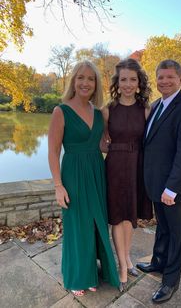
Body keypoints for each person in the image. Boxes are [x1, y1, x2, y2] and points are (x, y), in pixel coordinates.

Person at [48, 60, 119, 297]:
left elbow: (100, 144)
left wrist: (120, 146)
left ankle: (92, 272)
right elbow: (53, 152)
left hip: (96, 171)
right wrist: (58, 186)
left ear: (96, 84)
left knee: (95, 223)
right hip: (73, 174)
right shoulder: (61, 110)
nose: (85, 82)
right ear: (73, 81)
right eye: (81, 77)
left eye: (90, 78)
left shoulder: (99, 113)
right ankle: (78, 276)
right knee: (77, 225)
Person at [137, 59, 181, 304]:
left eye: (170, 77)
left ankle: (171, 281)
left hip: (173, 188)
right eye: (161, 77)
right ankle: (157, 263)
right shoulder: (155, 106)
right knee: (162, 228)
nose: (165, 81)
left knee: (176, 234)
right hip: (156, 184)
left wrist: (172, 188)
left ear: (180, 79)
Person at [102, 58, 153, 291]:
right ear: (117, 82)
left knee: (129, 218)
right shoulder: (107, 110)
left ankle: (128, 258)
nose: (128, 84)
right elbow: (101, 144)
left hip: (136, 166)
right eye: (124, 79)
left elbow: (151, 143)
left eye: (133, 79)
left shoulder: (146, 109)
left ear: (139, 82)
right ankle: (122, 266)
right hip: (114, 167)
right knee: (117, 217)